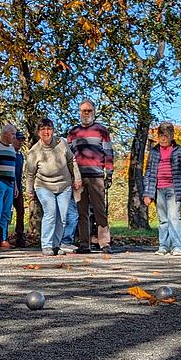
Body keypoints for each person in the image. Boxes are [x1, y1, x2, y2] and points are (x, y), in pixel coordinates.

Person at [24, 118, 82, 256]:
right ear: (38, 132)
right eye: (43, 129)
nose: (46, 132)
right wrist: (29, 189)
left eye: (49, 128)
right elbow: (30, 174)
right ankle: (46, 245)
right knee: (50, 211)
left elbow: (71, 160)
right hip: (43, 186)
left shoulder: (61, 143)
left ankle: (56, 245)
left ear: (53, 130)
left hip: (64, 185)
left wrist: (77, 177)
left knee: (62, 216)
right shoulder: (34, 152)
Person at [67, 99, 114, 254]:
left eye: (89, 110)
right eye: (83, 111)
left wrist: (109, 173)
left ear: (94, 112)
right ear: (79, 112)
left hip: (97, 176)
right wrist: (70, 177)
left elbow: (108, 152)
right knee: (82, 212)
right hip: (78, 178)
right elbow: (68, 156)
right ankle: (84, 244)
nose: (86, 113)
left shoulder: (101, 131)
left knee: (100, 210)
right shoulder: (73, 132)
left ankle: (104, 243)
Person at [142, 122, 181, 256]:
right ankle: (163, 246)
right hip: (158, 189)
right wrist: (147, 193)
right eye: (160, 135)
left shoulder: (179, 150)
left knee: (174, 217)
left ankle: (177, 246)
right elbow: (148, 173)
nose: (163, 138)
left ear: (171, 136)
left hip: (174, 189)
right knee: (162, 219)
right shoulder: (154, 152)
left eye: (166, 135)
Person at [11, 131, 27, 247]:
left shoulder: (21, 155)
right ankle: (2, 237)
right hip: (8, 186)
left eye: (22, 140)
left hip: (19, 187)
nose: (20, 142)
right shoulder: (8, 153)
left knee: (21, 211)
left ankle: (20, 237)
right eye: (18, 139)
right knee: (5, 212)